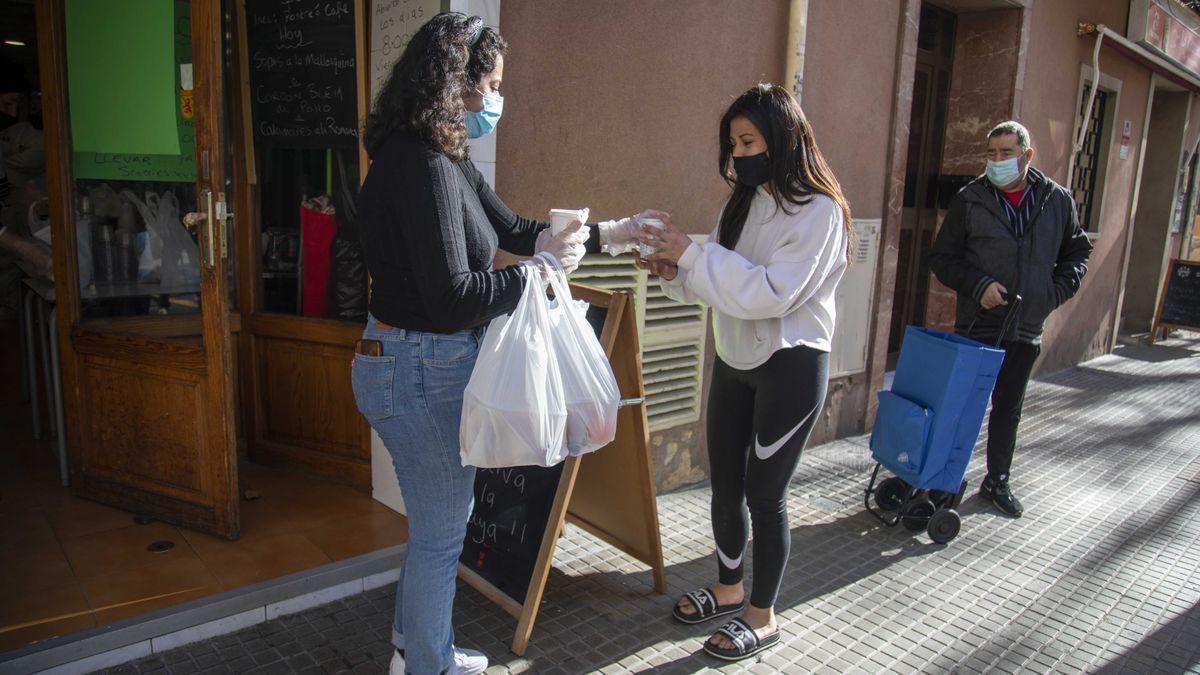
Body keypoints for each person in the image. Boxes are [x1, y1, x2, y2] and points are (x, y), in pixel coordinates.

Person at [354, 13, 657, 675]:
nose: (497, 98)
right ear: (455, 85)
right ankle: (427, 664)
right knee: (442, 532)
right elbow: (453, 297)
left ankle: (416, 648)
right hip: (417, 364)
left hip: (406, 360)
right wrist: (534, 274)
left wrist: (612, 232)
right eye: (490, 84)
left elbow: (517, 227)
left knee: (433, 527)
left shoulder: (442, 154)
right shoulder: (421, 162)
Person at [636, 83, 851, 662]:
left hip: (791, 364)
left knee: (765, 493)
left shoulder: (820, 211)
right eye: (733, 143)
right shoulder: (744, 202)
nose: (738, 154)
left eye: (749, 140)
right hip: (733, 358)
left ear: (782, 139)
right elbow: (722, 281)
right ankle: (729, 590)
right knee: (724, 482)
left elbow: (770, 293)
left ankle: (763, 615)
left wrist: (691, 256)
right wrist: (675, 270)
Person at [929, 120, 1091, 518]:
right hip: (979, 322)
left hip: (1026, 324)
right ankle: (943, 481)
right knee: (963, 405)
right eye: (992, 153)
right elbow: (942, 259)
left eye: (1007, 153)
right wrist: (978, 284)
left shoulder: (1056, 200)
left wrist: (1053, 294)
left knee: (1009, 406)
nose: (998, 161)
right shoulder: (971, 199)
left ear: (1027, 155)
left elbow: (1077, 253)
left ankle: (997, 479)